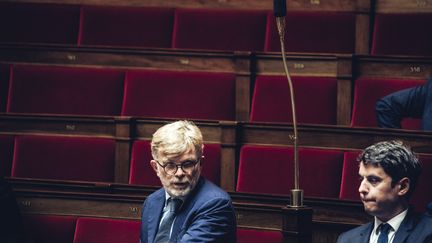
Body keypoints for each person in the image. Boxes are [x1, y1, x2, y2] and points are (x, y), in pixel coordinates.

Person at [140, 120, 236, 243]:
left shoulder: (216, 204)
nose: (179, 173)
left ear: (200, 164)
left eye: (188, 164)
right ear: (156, 168)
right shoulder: (152, 202)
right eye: (170, 165)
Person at [336, 140, 432, 243]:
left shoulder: (428, 234)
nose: (361, 189)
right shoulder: (347, 239)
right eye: (361, 179)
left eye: (373, 180)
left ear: (403, 187)